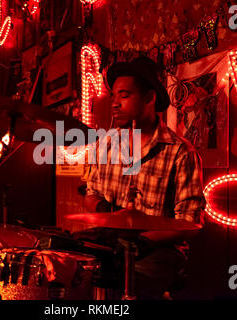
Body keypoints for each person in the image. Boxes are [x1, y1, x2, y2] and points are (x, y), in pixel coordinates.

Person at [82, 56, 205, 299]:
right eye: (114, 96)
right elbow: (91, 194)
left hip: (157, 250)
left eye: (124, 95)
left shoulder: (180, 152)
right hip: (111, 244)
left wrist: (143, 240)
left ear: (150, 98)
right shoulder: (106, 144)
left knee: (130, 283)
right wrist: (105, 209)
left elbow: (191, 222)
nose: (114, 104)